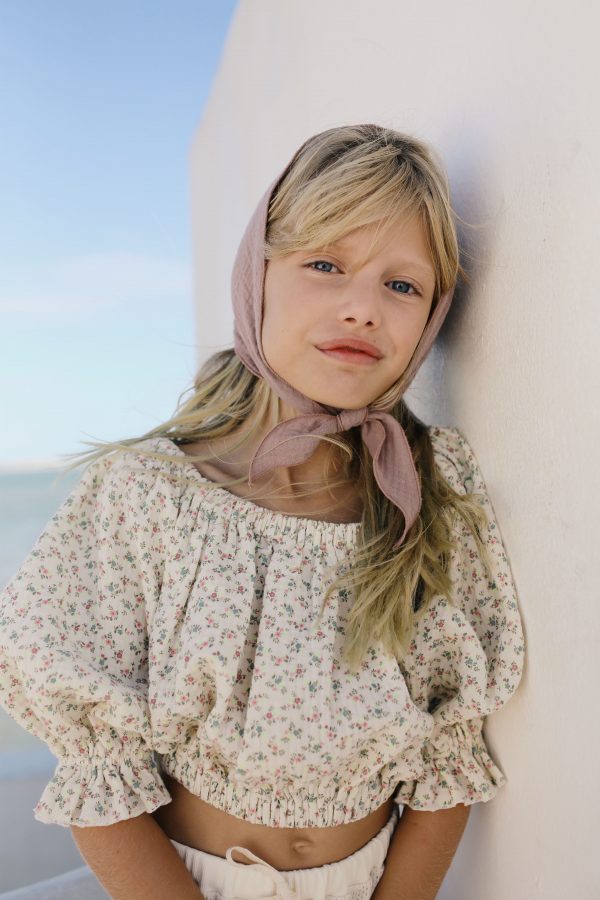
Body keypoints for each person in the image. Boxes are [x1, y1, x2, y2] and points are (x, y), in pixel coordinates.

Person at [0, 124, 525, 900]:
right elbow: (97, 761)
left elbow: (450, 745)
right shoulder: (146, 493)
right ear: (258, 275)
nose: (362, 309)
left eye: (402, 285)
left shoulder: (432, 486)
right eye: (325, 264)